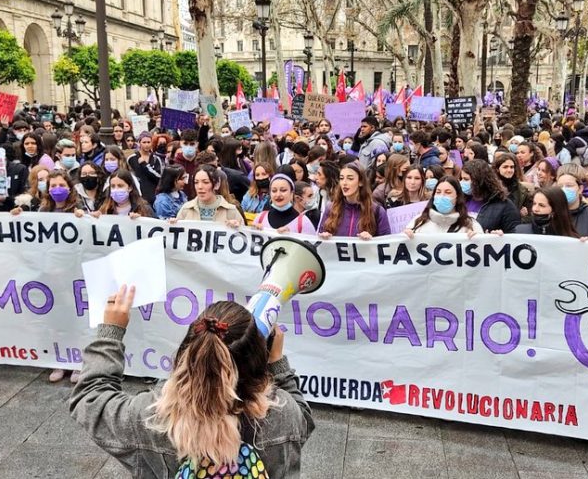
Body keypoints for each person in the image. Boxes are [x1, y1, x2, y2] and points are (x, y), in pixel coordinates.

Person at [70, 286, 313, 478]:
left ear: (188, 352)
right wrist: (278, 363)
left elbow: (90, 400)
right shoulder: (284, 414)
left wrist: (111, 331)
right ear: (258, 362)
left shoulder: (152, 418)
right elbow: (304, 419)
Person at [318, 163, 390, 239]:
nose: (344, 183)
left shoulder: (377, 211)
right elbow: (319, 238)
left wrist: (371, 241)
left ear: (361, 182)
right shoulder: (330, 208)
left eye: (350, 179)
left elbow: (387, 243)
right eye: (341, 178)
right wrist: (324, 237)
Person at [404, 176, 483, 236]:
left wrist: (478, 240)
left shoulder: (471, 225)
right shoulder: (419, 222)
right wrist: (406, 237)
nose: (441, 196)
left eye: (448, 192)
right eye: (438, 192)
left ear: (457, 197)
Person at [461, 160, 521, 233]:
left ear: (479, 181)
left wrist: (497, 237)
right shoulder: (461, 200)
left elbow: (514, 235)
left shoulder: (505, 206)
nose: (462, 183)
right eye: (461, 179)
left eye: (466, 179)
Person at [176, 164, 244, 227]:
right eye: (196, 182)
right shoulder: (186, 209)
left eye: (205, 182)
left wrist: (237, 228)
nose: (200, 187)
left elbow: (244, 235)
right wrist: (171, 225)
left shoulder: (231, 210)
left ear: (217, 184)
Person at [556, 172, 588, 238]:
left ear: (580, 189)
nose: (564, 189)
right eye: (560, 187)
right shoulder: (551, 214)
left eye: (569, 185)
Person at [515, 187, 580, 237]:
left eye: (541, 205)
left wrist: (586, 244)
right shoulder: (520, 231)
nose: (535, 209)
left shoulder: (572, 239)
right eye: (534, 204)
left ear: (555, 209)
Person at [128, 132, 168, 204]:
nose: (146, 145)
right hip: (137, 196)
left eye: (148, 142)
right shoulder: (132, 158)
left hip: (153, 196)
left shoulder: (156, 159)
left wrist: (145, 165)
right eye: (144, 142)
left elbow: (159, 177)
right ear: (139, 143)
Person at [494, 152, 531, 219]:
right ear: (497, 169)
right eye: (505, 167)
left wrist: (520, 216)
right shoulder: (491, 188)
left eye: (512, 167)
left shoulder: (522, 190)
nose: (509, 170)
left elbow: (529, 216)